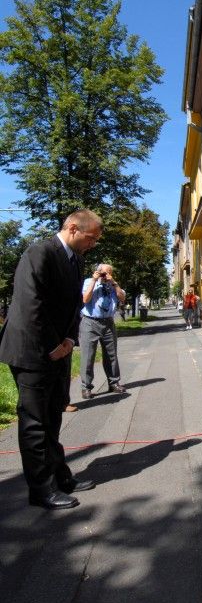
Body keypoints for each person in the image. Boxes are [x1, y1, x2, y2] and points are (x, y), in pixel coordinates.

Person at [0, 209, 102, 510]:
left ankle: (61, 476)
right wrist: (51, 346)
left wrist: (70, 339)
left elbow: (73, 305)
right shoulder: (39, 252)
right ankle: (40, 489)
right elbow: (30, 304)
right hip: (32, 351)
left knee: (54, 414)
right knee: (34, 421)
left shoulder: (76, 259)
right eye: (91, 237)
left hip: (60, 348)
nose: (93, 244)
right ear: (72, 228)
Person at [79, 263, 127, 399]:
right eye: (103, 273)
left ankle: (114, 383)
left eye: (108, 273)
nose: (105, 276)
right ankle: (86, 388)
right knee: (88, 356)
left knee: (111, 355)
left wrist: (114, 283)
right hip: (90, 322)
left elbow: (122, 298)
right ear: (97, 272)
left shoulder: (113, 284)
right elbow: (85, 299)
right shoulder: (89, 281)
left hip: (108, 322)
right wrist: (95, 281)